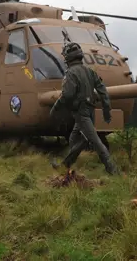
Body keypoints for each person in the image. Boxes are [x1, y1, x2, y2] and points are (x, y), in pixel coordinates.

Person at [50, 43, 118, 175]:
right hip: (89, 110)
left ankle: (113, 170)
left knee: (96, 142)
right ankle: (66, 165)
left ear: (68, 58)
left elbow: (67, 95)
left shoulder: (71, 73)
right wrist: (106, 110)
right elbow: (102, 90)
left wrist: (56, 108)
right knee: (76, 138)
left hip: (81, 114)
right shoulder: (90, 71)